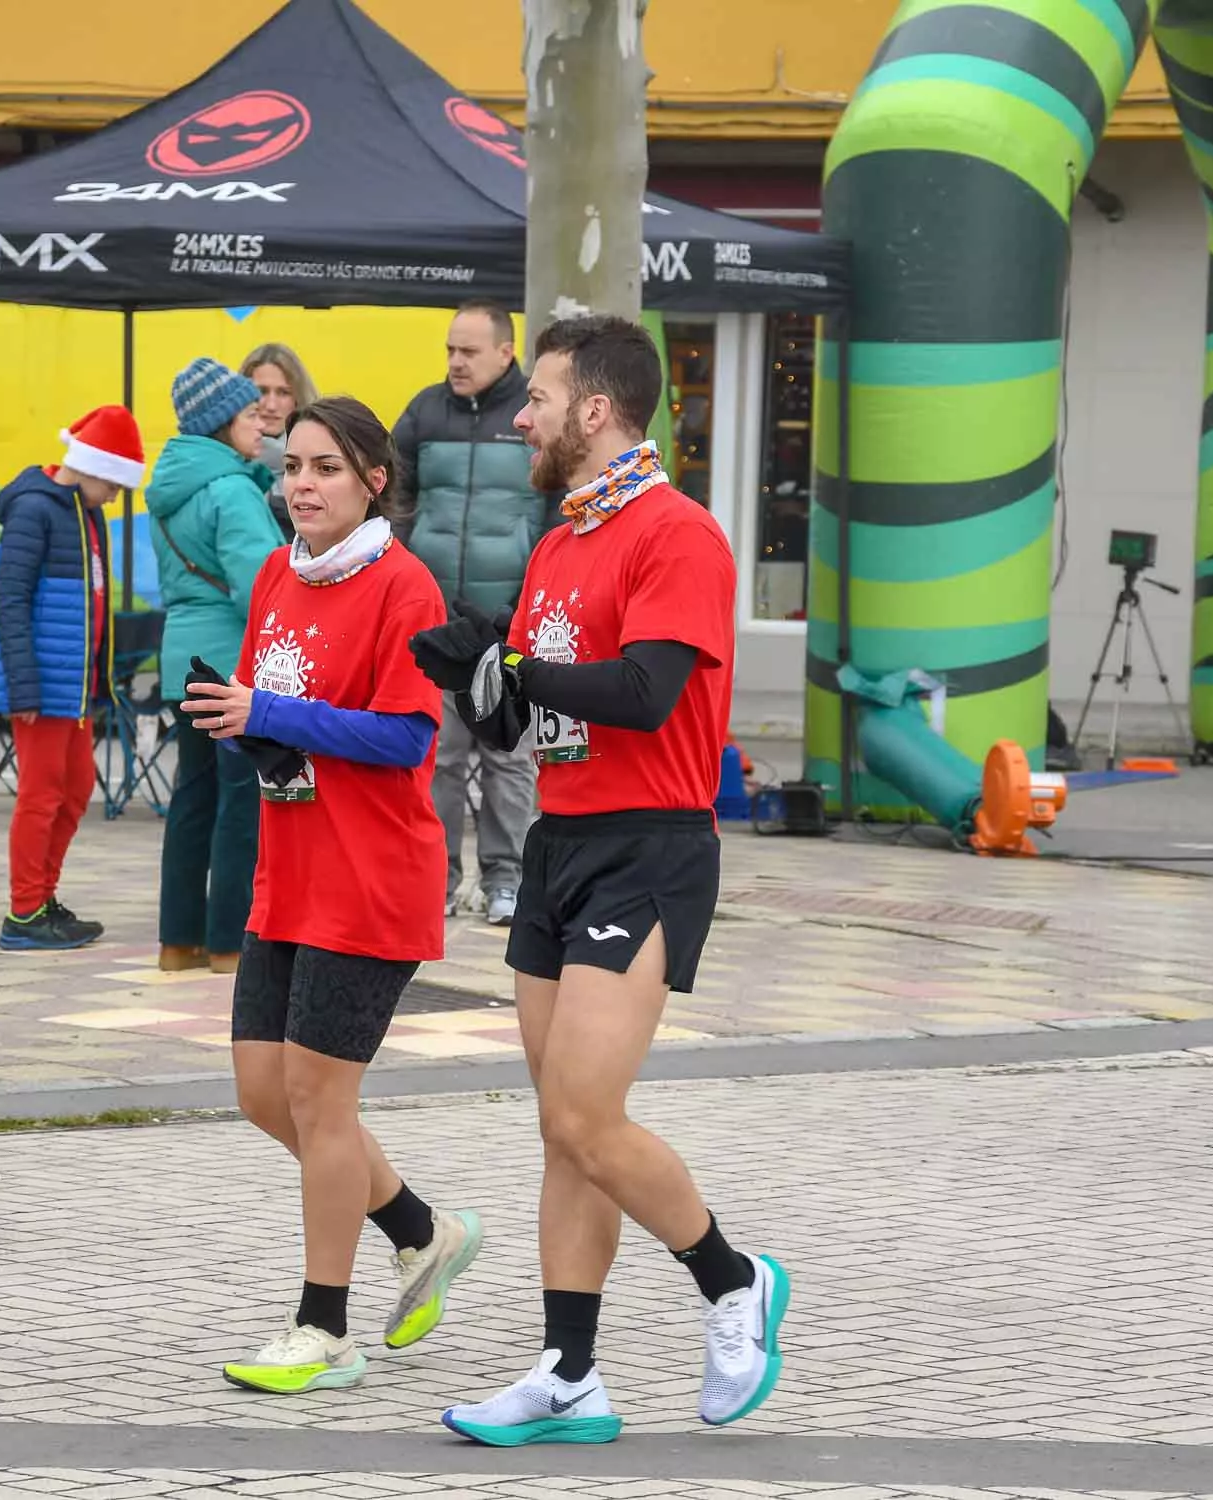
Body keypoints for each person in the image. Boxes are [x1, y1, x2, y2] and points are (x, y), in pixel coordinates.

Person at [410, 316, 789, 1445]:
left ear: (598, 410)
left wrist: (520, 663)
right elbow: (530, 711)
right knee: (564, 1128)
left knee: (584, 1110)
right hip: (562, 848)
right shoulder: (561, 542)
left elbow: (643, 691)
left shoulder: (677, 535)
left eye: (538, 396)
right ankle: (569, 1373)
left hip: (650, 845)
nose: (519, 416)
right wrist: (478, 676)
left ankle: (733, 1283)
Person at [181, 396, 482, 1395]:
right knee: (264, 1094)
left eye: (325, 469)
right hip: (291, 869)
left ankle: (326, 1330)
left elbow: (406, 738)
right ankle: (418, 1229)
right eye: (292, 466)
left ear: (374, 483)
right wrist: (244, 720)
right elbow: (285, 705)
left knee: (319, 1102)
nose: (300, 485)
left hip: (372, 878)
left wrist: (272, 711)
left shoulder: (406, 588)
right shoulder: (274, 572)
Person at [391, 300, 556, 927]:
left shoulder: (529, 416)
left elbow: (550, 507)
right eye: (450, 350)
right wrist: (404, 562)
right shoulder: (424, 411)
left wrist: (528, 597)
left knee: (507, 753)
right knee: (440, 755)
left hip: (505, 613)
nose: (456, 362)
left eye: (469, 351)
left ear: (505, 352)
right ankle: (436, 876)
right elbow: (391, 491)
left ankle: (505, 879)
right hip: (433, 614)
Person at [0, 405, 144, 952]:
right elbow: (9, 598)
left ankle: (43, 899)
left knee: (75, 789)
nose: (117, 497)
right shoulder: (35, 510)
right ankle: (24, 911)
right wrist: (23, 685)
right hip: (44, 687)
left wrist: (98, 680)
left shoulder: (83, 511)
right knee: (41, 795)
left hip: (73, 688)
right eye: (116, 484)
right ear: (94, 467)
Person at [148, 358, 286, 975]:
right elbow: (259, 586)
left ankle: (178, 942)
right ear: (221, 423)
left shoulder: (172, 486)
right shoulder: (232, 489)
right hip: (233, 665)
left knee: (191, 799)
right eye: (252, 416)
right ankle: (231, 943)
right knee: (241, 803)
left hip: (183, 659)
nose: (263, 428)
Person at [240, 342, 317, 532]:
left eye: (283, 392)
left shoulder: (325, 461)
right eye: (261, 391)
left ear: (298, 397)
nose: (271, 405)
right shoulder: (224, 462)